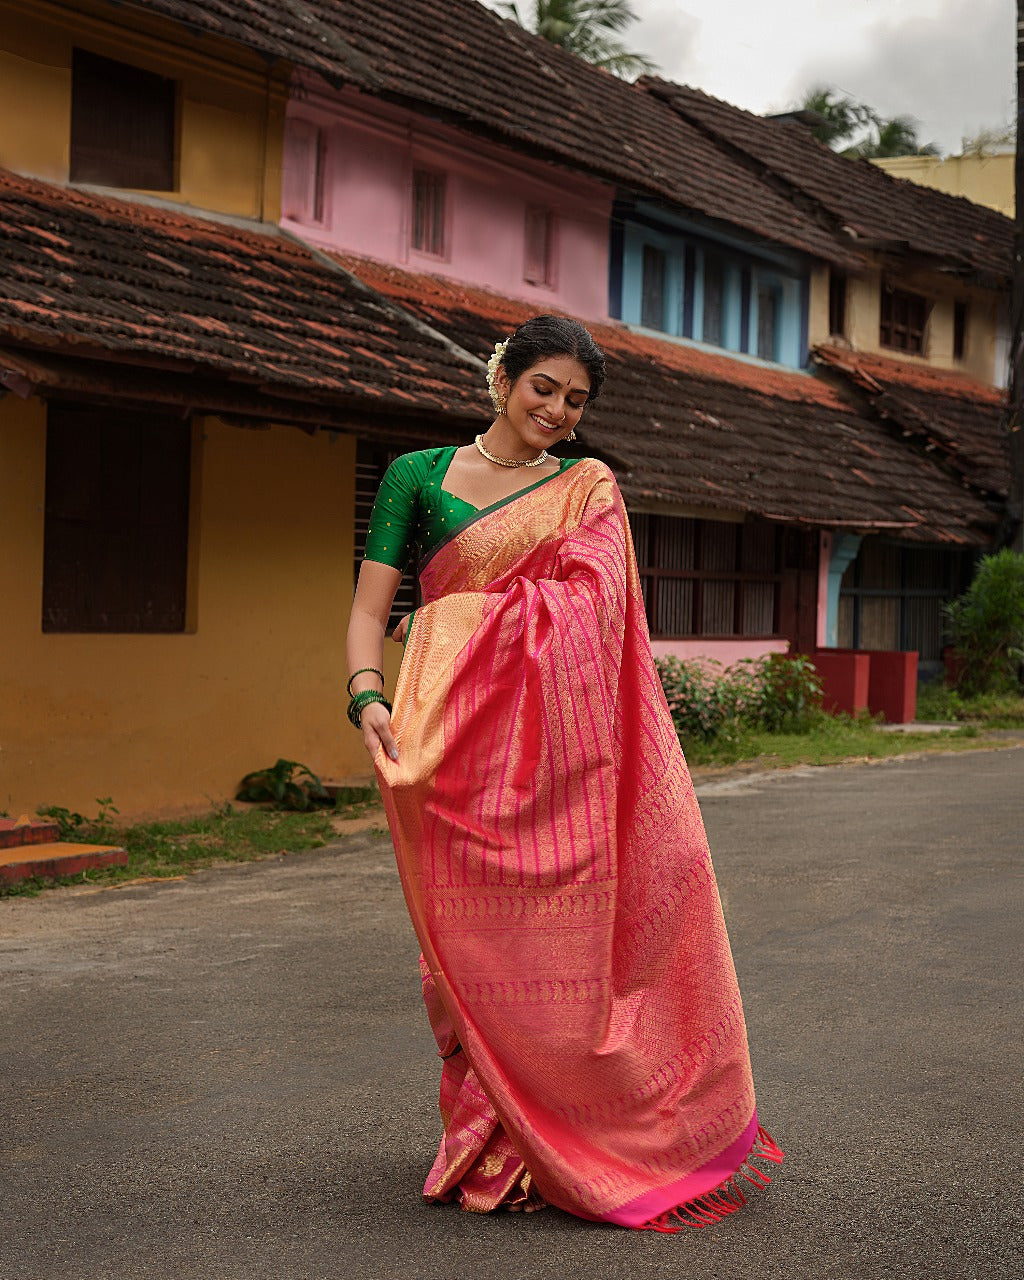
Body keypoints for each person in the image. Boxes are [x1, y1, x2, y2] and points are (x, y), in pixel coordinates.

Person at [345, 314, 782, 1229]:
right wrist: (368, 695)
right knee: (462, 954)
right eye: (543, 386)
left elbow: (597, 619)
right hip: (445, 747)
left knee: (564, 942)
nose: (555, 410)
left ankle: (588, 1137)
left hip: (554, 759)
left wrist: (451, 624)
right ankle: (491, 1144)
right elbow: (370, 607)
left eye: (576, 401)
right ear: (503, 376)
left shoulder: (586, 491)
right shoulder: (416, 477)